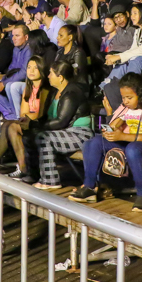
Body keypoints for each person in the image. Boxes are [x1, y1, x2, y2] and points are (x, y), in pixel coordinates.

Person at [70, 73, 142, 211]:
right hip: (128, 143)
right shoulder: (125, 108)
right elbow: (115, 125)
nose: (125, 101)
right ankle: (90, 186)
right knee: (93, 142)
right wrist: (110, 129)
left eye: (129, 97)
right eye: (123, 97)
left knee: (133, 149)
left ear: (141, 94)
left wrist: (122, 137)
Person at [30, 60, 93, 189]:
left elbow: (61, 121)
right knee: (27, 136)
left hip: (80, 133)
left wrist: (37, 127)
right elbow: (48, 117)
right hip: (65, 132)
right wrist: (33, 123)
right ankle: (32, 175)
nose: (48, 76)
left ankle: (50, 181)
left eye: (51, 73)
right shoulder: (56, 91)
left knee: (43, 138)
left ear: (60, 77)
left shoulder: (71, 93)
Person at [0, 56, 52, 183]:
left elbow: (39, 114)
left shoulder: (45, 88)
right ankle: (21, 167)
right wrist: (27, 116)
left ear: (42, 70)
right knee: (7, 125)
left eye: (35, 68)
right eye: (29, 67)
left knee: (12, 127)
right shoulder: (28, 88)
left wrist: (28, 116)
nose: (31, 71)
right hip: (29, 121)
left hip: (42, 123)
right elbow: (23, 112)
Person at [0, 25, 32, 119]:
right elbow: (12, 68)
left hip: (27, 82)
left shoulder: (29, 50)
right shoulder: (16, 49)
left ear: (26, 37)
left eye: (17, 35)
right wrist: (2, 81)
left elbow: (24, 73)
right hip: (15, 79)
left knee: (10, 86)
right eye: (13, 35)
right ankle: (9, 114)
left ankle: (18, 116)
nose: (13, 38)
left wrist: (4, 83)